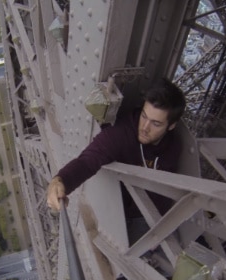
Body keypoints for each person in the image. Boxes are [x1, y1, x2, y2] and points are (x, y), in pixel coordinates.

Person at [46, 78, 186, 236]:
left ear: (172, 125)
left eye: (156, 123)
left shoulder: (174, 145)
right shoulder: (121, 135)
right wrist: (60, 181)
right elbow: (87, 161)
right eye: (144, 116)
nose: (145, 127)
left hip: (159, 219)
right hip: (127, 219)